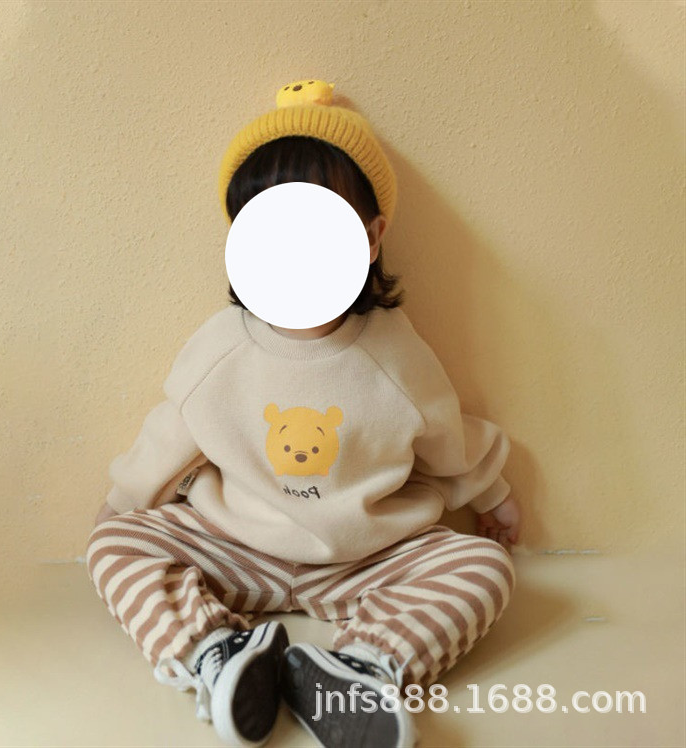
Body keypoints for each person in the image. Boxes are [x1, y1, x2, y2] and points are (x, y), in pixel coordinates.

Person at [86, 79, 521, 748]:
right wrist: (123, 502)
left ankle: (360, 667)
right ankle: (216, 654)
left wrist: (492, 496)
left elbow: (445, 437)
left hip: (365, 557)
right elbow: (172, 432)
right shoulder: (221, 347)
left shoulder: (395, 355)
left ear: (370, 239)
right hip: (237, 548)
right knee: (114, 544)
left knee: (482, 568)